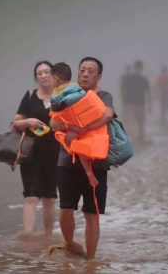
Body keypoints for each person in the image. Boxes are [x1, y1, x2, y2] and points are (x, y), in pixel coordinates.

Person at [50, 57, 114, 260]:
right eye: (82, 70)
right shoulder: (67, 93)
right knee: (66, 207)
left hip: (97, 162)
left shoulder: (104, 96)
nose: (85, 74)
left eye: (91, 71)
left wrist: (81, 128)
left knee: (92, 212)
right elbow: (53, 124)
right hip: (68, 161)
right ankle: (69, 245)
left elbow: (107, 115)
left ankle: (90, 261)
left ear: (99, 76)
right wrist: (70, 127)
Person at [12, 61, 60, 237]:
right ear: (36, 77)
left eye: (47, 72)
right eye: (39, 73)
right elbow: (15, 123)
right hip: (31, 153)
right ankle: (27, 235)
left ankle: (47, 236)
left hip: (55, 153)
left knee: (49, 198)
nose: (43, 75)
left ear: (53, 75)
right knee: (30, 196)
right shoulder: (30, 96)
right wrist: (28, 122)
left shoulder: (61, 96)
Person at [120, 60, 151, 144]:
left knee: (132, 122)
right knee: (139, 122)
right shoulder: (143, 79)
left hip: (130, 103)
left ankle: (134, 140)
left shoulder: (129, 78)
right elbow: (148, 93)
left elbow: (122, 89)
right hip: (138, 103)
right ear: (141, 68)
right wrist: (149, 104)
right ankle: (139, 139)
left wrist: (123, 99)